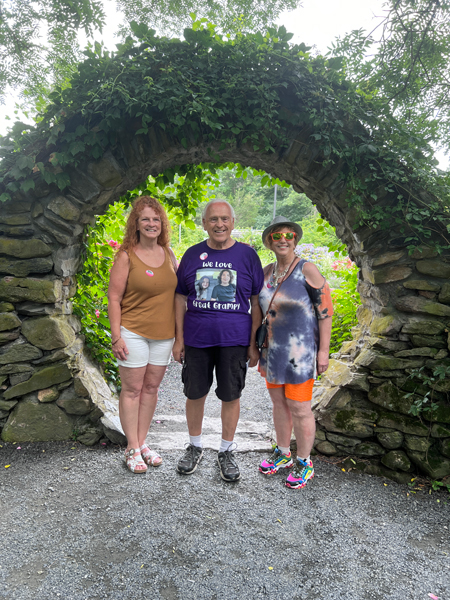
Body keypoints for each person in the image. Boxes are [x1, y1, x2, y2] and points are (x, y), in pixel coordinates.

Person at [173, 199, 264, 482]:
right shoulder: (191, 255)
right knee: (194, 393)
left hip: (234, 340)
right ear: (204, 224)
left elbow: (256, 301)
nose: (219, 224)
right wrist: (179, 339)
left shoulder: (247, 256)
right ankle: (195, 445)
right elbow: (179, 296)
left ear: (233, 223)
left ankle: (226, 450)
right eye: (213, 220)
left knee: (231, 394)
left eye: (225, 219)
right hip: (197, 338)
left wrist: (253, 344)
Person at [257, 216, 333, 489]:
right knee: (279, 404)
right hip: (273, 351)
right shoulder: (266, 272)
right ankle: (283, 453)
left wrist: (323, 352)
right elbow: (259, 311)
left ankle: (304, 461)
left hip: (300, 353)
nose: (284, 239)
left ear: (296, 240)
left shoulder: (307, 269)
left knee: (300, 408)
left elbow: (325, 313)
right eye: (277, 236)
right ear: (269, 241)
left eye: (289, 235)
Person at [108, 196, 178, 474]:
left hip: (163, 335)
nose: (152, 223)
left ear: (162, 224)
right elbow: (114, 298)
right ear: (135, 224)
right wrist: (116, 336)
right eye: (145, 219)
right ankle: (131, 448)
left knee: (151, 389)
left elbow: (180, 296)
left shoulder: (170, 254)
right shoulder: (126, 255)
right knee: (133, 389)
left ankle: (143, 443)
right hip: (133, 332)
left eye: (156, 219)